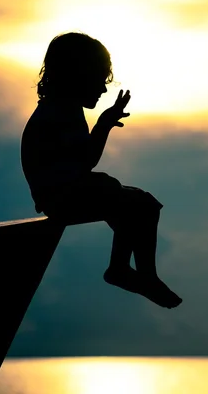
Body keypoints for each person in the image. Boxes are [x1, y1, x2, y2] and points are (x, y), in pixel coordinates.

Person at [20, 32, 182, 309]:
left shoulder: (63, 109)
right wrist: (103, 126)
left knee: (141, 204)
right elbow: (85, 161)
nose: (103, 89)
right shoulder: (56, 113)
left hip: (67, 192)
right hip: (62, 197)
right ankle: (127, 271)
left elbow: (83, 161)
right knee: (137, 204)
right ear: (76, 75)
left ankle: (134, 272)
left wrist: (103, 124)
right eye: (99, 80)